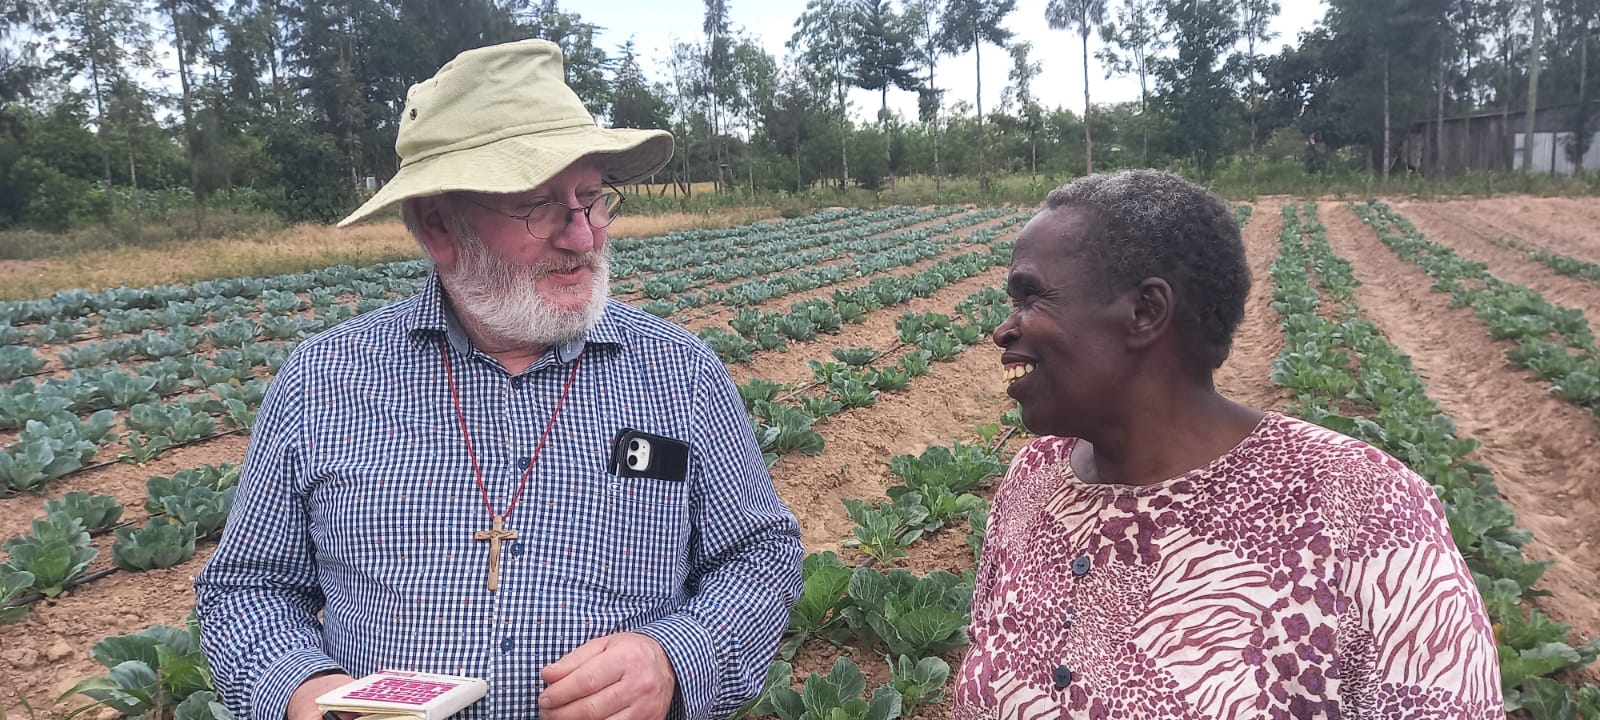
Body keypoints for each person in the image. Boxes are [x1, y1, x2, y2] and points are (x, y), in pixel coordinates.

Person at [194, 39, 804, 720]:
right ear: (438, 224)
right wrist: (302, 695)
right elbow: (248, 585)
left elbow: (760, 553)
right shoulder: (324, 380)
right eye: (540, 205)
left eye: (592, 198)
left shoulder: (679, 374)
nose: (582, 236)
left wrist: (675, 657)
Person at [954, 171, 1503, 718]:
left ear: (1145, 312)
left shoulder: (1360, 505)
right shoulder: (1032, 479)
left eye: (1030, 297)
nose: (1004, 330)